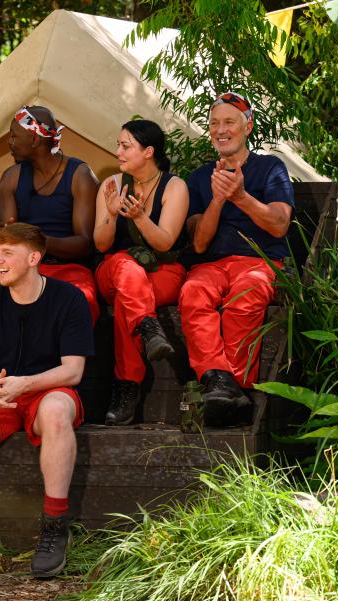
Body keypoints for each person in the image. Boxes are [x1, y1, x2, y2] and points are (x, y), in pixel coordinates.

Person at [0, 223, 94, 584]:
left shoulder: (68, 298)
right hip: (0, 394)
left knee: (57, 414)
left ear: (33, 258)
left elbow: (73, 371)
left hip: (47, 389)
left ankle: (55, 527)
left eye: (7, 253)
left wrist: (26, 383)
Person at [180, 92, 293, 425]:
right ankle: (220, 381)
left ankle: (234, 387)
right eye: (214, 123)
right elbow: (199, 244)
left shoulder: (271, 168)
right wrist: (217, 200)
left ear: (248, 126)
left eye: (229, 122)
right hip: (212, 264)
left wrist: (241, 197)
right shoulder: (200, 178)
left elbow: (278, 224)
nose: (220, 129)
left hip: (260, 263)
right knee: (192, 293)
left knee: (245, 297)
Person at [0, 105, 100, 326]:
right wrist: (12, 237)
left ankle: (71, 361)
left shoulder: (79, 175)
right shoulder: (11, 177)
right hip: (19, 266)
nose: (9, 142)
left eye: (14, 136)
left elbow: (85, 243)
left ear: (34, 140)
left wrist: (36, 240)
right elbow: (6, 236)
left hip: (67, 268)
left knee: (82, 298)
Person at [92, 120, 189, 426]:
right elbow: (101, 243)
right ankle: (149, 328)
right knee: (124, 266)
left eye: (125, 146)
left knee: (127, 302)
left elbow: (165, 241)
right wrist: (110, 214)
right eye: (118, 144)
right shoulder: (112, 184)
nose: (117, 151)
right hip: (114, 268)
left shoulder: (175, 186)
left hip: (163, 270)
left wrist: (141, 219)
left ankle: (127, 388)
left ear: (148, 152)